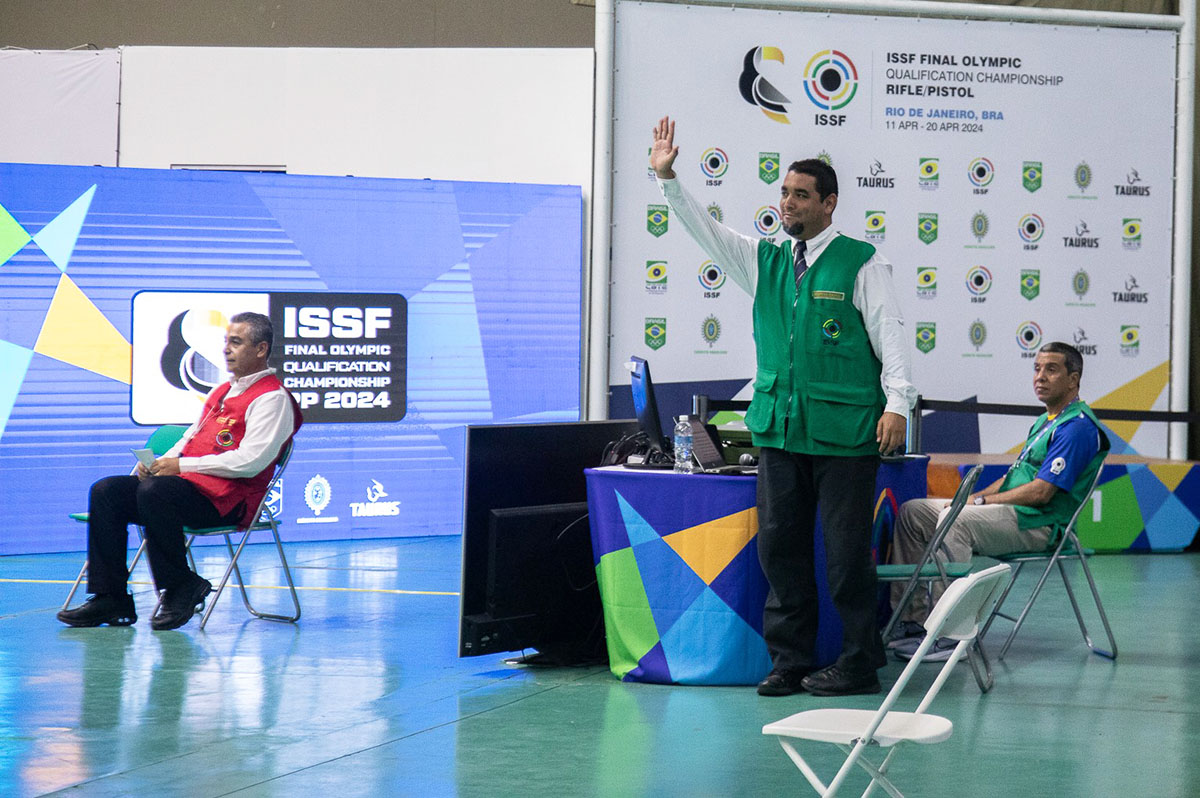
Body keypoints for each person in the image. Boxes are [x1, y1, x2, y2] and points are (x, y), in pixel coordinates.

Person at [650, 116, 916, 697]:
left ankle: (858, 662)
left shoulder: (862, 262)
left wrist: (897, 405)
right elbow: (706, 232)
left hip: (845, 433)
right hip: (779, 431)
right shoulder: (764, 258)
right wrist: (668, 180)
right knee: (780, 550)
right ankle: (790, 661)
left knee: (845, 557)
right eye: (784, 192)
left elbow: (891, 336)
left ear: (828, 204)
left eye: (800, 195)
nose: (788, 203)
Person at [57, 311, 303, 631]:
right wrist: (160, 463)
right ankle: (111, 597)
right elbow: (190, 439)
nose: (226, 349)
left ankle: (179, 586)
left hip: (229, 501)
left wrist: (180, 466)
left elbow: (251, 461)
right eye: (226, 341)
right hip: (186, 491)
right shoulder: (222, 392)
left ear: (261, 349)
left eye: (236, 342)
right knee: (108, 491)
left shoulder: (273, 399)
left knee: (156, 492)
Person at [888, 341, 1109, 661]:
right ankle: (912, 621)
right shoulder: (1046, 421)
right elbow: (1012, 477)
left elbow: (1041, 492)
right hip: (1010, 513)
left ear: (1073, 379)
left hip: (1040, 524)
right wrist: (970, 498)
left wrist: (979, 504)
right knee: (914, 512)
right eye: (1037, 368)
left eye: (1051, 370)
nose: (1040, 377)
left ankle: (951, 635)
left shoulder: (1076, 428)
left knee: (955, 521)